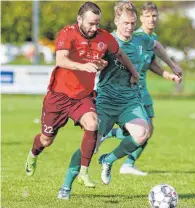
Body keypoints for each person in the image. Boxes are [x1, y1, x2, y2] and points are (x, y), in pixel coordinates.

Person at [57, 1, 181, 200]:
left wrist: (172, 65)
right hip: (106, 102)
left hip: (130, 101)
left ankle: (109, 160)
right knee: (90, 147)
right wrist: (97, 64)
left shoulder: (141, 39)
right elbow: (88, 61)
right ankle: (65, 186)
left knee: (143, 133)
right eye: (125, 23)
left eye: (132, 23)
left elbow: (156, 45)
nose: (129, 27)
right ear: (116, 21)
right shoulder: (105, 41)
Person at [25, 1, 140, 189]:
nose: (94, 28)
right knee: (46, 140)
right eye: (90, 23)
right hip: (59, 97)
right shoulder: (67, 33)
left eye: (97, 23)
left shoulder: (103, 37)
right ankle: (33, 153)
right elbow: (61, 59)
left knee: (93, 123)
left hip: (82, 97)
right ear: (80, 19)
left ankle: (84, 172)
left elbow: (120, 55)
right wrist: (83, 66)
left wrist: (134, 73)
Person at [94, 2, 182, 176]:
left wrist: (169, 73)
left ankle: (125, 161)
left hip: (141, 89)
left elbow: (151, 64)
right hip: (129, 91)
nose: (152, 20)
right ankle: (115, 148)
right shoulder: (132, 35)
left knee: (147, 131)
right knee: (143, 130)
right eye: (147, 16)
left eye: (154, 16)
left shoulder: (150, 38)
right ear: (140, 18)